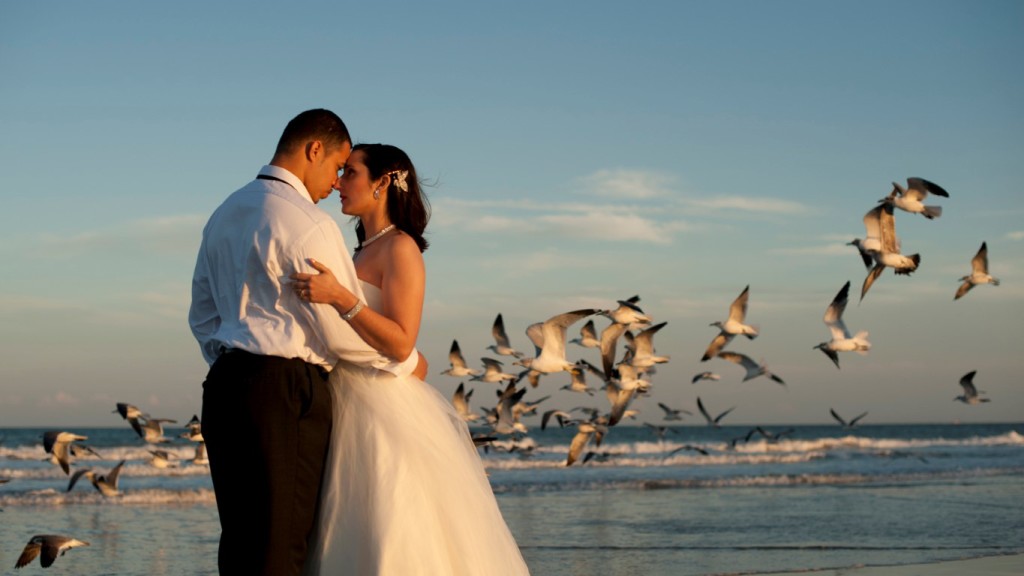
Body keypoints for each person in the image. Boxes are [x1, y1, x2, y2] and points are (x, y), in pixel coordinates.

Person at [189, 110, 425, 576]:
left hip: (224, 388)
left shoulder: (224, 212)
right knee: (282, 545)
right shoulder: (310, 224)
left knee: (239, 543)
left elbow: (203, 313)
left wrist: (232, 356)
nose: (335, 183)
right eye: (337, 167)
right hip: (284, 390)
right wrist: (403, 362)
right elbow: (336, 330)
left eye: (346, 173)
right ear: (313, 150)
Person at [291, 144, 531, 575]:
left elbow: (402, 343)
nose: (339, 183)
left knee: (390, 527)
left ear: (382, 182)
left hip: (383, 407)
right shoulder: (361, 251)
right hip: (346, 399)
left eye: (351, 173)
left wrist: (340, 297)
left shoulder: (401, 248)